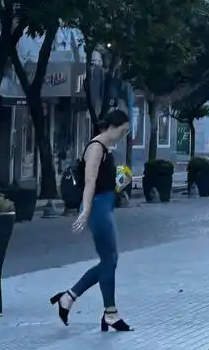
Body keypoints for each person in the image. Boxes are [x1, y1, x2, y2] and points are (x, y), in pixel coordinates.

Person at [50, 109, 132, 332]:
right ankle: (110, 313)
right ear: (113, 127)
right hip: (97, 209)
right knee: (109, 260)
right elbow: (89, 182)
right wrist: (85, 212)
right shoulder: (96, 148)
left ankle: (69, 298)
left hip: (104, 206)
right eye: (123, 131)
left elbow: (103, 181)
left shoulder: (105, 148)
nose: (124, 135)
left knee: (110, 260)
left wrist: (119, 183)